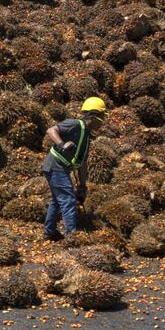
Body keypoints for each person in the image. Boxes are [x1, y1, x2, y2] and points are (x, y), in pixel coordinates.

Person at [41, 97, 107, 241]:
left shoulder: (87, 136)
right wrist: (61, 145)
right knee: (68, 200)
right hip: (55, 165)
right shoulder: (74, 124)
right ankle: (72, 238)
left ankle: (49, 232)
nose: (103, 121)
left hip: (60, 168)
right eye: (102, 116)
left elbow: (82, 164)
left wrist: (82, 186)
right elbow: (51, 130)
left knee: (58, 201)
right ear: (93, 115)